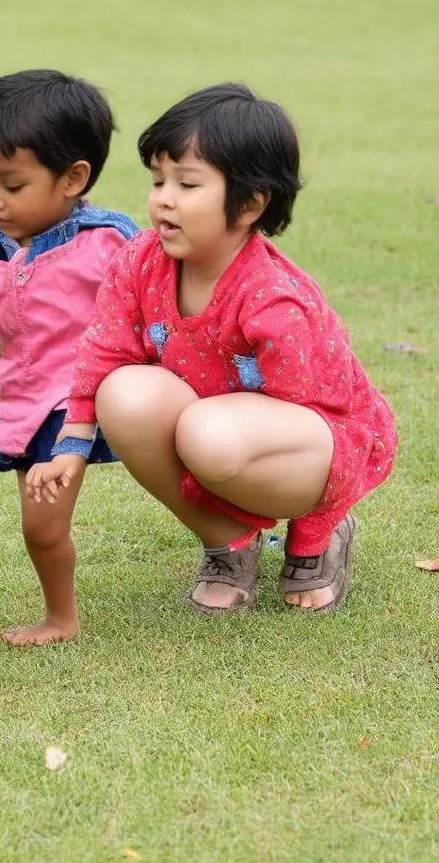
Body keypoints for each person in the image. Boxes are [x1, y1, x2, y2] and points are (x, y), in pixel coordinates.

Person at [27, 82, 397, 614]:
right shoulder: (140, 261)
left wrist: (313, 532)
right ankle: (230, 544)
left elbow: (327, 416)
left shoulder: (274, 301)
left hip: (320, 443)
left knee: (209, 434)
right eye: (158, 179)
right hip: (217, 429)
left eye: (187, 184)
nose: (164, 198)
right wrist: (72, 442)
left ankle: (324, 537)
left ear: (250, 204)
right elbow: (104, 349)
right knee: (124, 393)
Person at [0, 70, 138, 646]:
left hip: (88, 398)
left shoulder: (107, 242)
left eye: (12, 184)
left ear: (73, 178)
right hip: (29, 405)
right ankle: (61, 616)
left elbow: (150, 304)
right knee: (41, 529)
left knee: (182, 475)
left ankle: (240, 536)